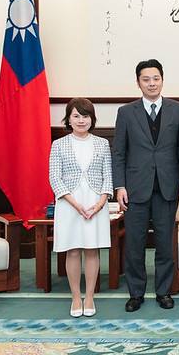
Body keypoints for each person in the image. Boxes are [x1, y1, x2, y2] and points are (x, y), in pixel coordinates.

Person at [112, 59, 179, 312]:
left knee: (165, 242)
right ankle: (136, 293)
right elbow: (119, 152)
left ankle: (164, 291)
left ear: (162, 80)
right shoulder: (126, 112)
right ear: (138, 82)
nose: (152, 83)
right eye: (146, 79)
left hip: (168, 185)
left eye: (156, 78)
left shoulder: (178, 110)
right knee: (134, 243)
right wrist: (120, 186)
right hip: (135, 188)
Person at [49, 98, 112, 318]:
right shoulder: (58, 144)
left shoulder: (102, 144)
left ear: (92, 119)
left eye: (85, 116)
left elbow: (108, 177)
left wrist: (101, 202)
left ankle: (90, 296)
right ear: (69, 119)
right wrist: (75, 204)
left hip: (96, 202)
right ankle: (76, 296)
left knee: (92, 249)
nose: (81, 120)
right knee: (73, 250)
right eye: (76, 116)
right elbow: (54, 178)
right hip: (69, 204)